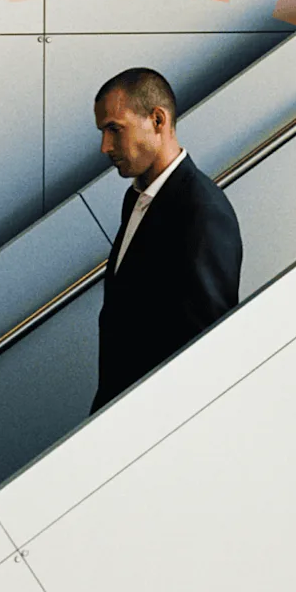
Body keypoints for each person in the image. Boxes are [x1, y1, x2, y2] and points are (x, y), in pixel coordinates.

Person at [90, 67, 243, 414]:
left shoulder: (202, 211)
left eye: (115, 129)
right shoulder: (138, 198)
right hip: (119, 411)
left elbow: (206, 344)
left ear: (157, 120)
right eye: (103, 132)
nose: (105, 147)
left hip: (157, 420)